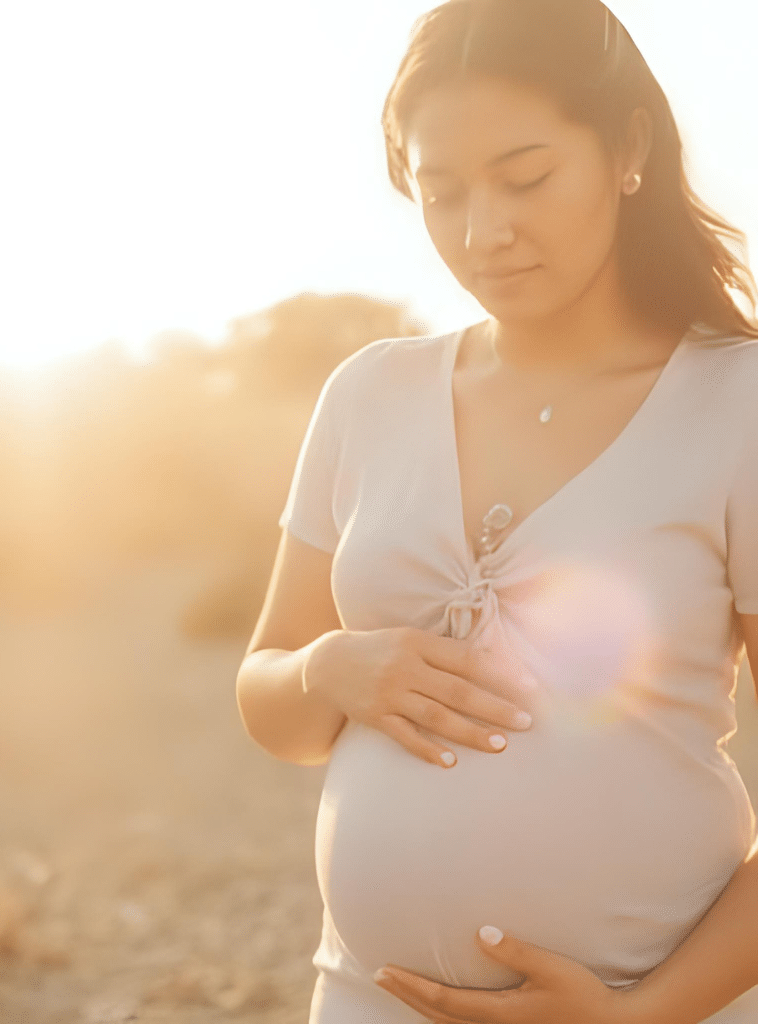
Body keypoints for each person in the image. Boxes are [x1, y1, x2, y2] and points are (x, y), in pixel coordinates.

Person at [235, 1, 758, 1022]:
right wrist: (329, 666)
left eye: (525, 178)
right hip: (366, 999)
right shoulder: (369, 393)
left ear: (627, 149)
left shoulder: (736, 403)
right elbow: (270, 703)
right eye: (441, 193)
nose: (484, 231)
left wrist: (637, 1013)